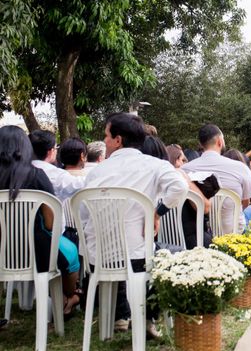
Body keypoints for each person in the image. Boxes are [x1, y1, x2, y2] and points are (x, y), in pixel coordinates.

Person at [83, 113, 189, 335]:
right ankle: (149, 319)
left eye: (106, 136)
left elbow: (84, 214)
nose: (105, 141)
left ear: (118, 140)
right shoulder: (153, 165)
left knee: (150, 252)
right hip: (138, 258)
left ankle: (120, 318)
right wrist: (157, 213)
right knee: (177, 254)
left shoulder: (96, 172)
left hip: (97, 260)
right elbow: (180, 187)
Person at [0, 126, 81, 321]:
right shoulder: (37, 176)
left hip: (1, 251)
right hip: (40, 252)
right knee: (70, 253)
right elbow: (51, 221)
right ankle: (69, 297)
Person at [181, 124, 251, 234]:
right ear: (220, 142)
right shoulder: (238, 167)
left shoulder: (185, 169)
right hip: (234, 231)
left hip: (203, 231)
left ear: (201, 144)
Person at [29, 130, 85, 201]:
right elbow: (78, 184)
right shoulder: (55, 174)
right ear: (51, 151)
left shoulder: (17, 171)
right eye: (56, 148)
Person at [223, 148, 251, 234]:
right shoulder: (242, 175)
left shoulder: (220, 176)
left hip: (216, 226)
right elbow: (247, 204)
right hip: (237, 225)